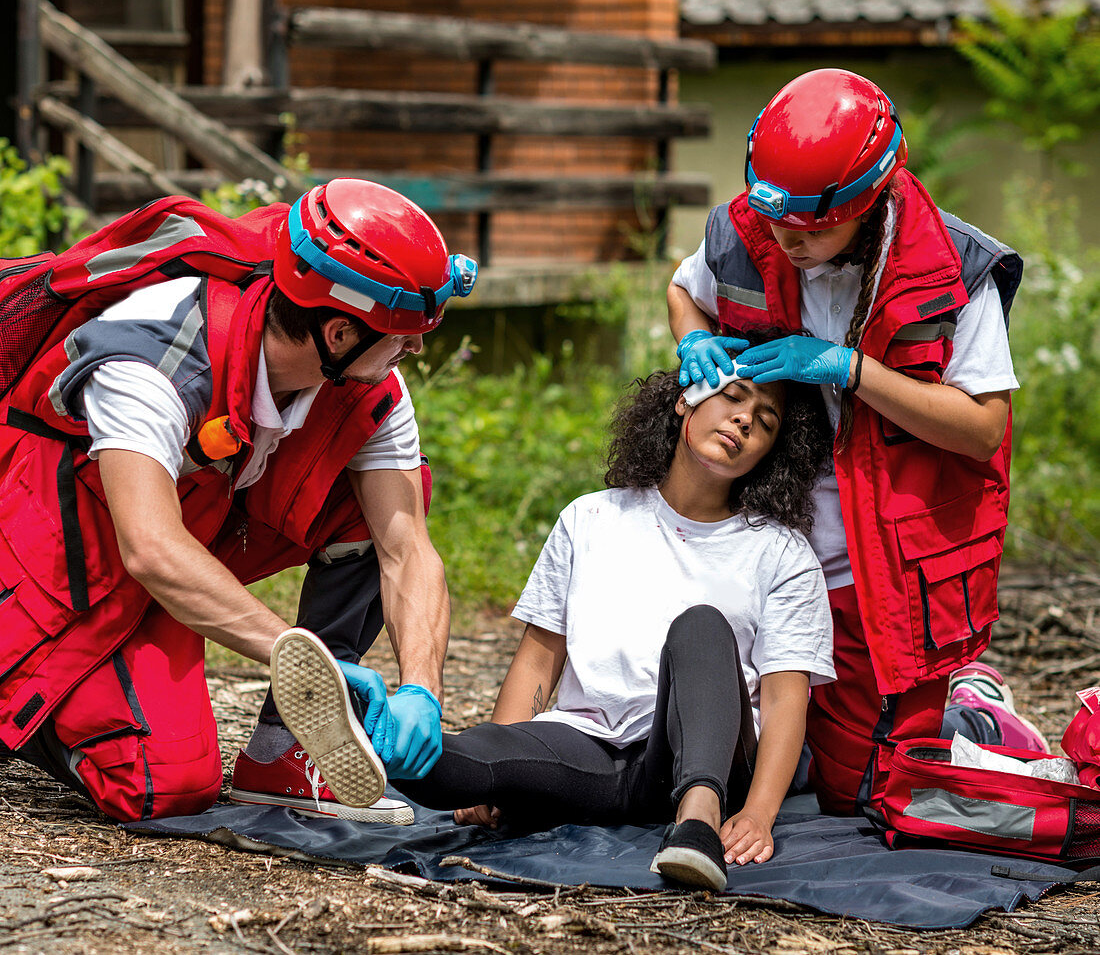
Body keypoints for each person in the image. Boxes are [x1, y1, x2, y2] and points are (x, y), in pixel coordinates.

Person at [0, 178, 476, 825]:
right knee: (159, 785)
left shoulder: (366, 380)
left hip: (186, 522)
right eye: (404, 335)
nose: (416, 349)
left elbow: (406, 546)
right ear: (338, 334)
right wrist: (296, 653)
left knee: (376, 500)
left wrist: (424, 685)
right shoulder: (152, 360)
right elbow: (151, 547)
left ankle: (287, 750)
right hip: (59, 536)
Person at [666, 67, 1039, 818]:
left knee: (858, 793)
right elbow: (686, 289)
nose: (787, 243)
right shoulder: (750, 225)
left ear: (868, 204)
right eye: (777, 225)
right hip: (768, 536)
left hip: (887, 567)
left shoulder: (955, 271)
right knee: (728, 748)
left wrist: (850, 369)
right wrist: (694, 342)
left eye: (813, 231)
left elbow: (983, 429)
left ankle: (973, 713)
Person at [370, 355, 836, 891]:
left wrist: (756, 814)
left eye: (765, 421)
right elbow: (539, 656)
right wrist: (498, 770)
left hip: (705, 759)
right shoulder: (591, 518)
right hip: (590, 750)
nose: (745, 420)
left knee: (702, 627)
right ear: (685, 399)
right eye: (733, 397)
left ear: (770, 453)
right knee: (473, 760)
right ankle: (375, 742)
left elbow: (784, 699)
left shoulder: (781, 552)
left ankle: (696, 829)